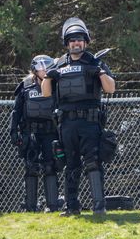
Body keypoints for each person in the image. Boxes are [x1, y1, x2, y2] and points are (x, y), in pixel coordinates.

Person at [41, 17, 115, 216]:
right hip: (66, 123)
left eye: (80, 39)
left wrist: (99, 72)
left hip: (90, 122)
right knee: (70, 163)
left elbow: (111, 88)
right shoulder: (58, 64)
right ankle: (72, 207)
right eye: (72, 40)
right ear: (67, 43)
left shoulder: (95, 62)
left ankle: (99, 208)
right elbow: (46, 93)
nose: (76, 43)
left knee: (93, 162)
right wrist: (49, 75)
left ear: (86, 41)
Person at [9, 55, 61, 212]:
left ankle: (52, 205)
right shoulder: (25, 86)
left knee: (50, 166)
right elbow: (16, 111)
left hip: (50, 132)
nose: (45, 69)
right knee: (31, 167)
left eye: (48, 66)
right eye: (41, 66)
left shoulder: (56, 85)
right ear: (34, 69)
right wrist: (13, 131)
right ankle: (30, 206)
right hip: (30, 132)